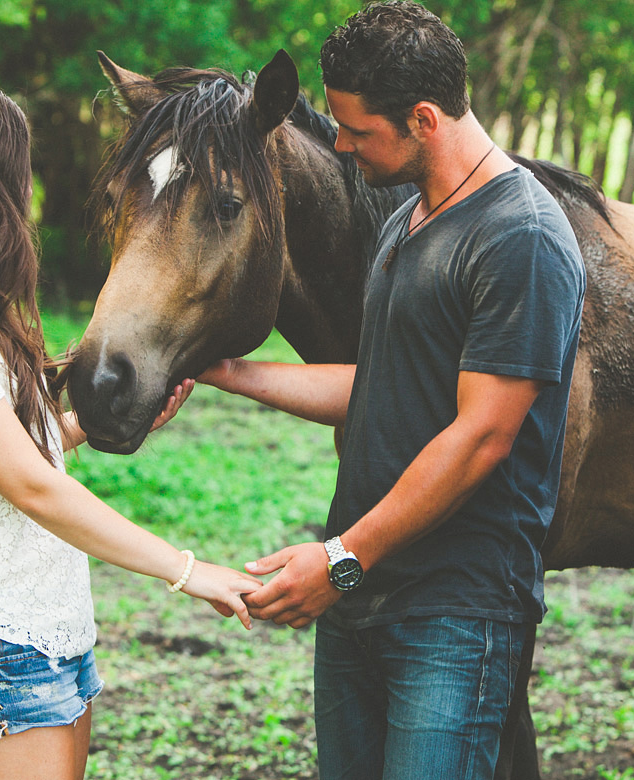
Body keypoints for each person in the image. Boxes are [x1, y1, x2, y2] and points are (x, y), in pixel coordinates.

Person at [198, 3, 586, 778]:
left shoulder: (520, 238)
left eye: (356, 129)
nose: (339, 144)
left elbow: (482, 436)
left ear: (424, 118)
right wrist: (227, 373)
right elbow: (378, 384)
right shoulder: (409, 218)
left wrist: (340, 559)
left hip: (455, 612)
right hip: (364, 595)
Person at [0, 77, 262, 779]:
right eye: (15, 171)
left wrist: (76, 429)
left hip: (43, 624)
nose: (24, 190)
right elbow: (32, 488)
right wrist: (188, 571)